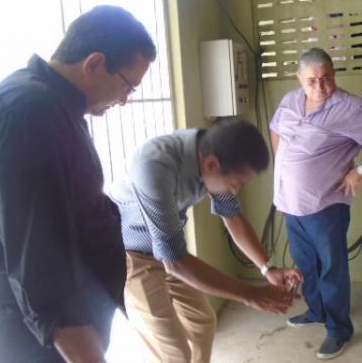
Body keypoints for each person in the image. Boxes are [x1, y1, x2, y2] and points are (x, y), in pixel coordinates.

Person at [0, 5, 156, 363]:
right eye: (128, 85)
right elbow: (39, 263)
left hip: (47, 331)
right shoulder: (28, 111)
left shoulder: (52, 105)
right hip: (26, 339)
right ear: (94, 63)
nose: (125, 99)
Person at [110, 118, 302, 363]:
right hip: (129, 256)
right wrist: (251, 294)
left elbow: (232, 217)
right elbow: (176, 262)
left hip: (167, 250)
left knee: (202, 322)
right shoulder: (154, 167)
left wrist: (268, 268)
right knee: (174, 352)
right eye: (237, 183)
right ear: (211, 164)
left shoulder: (209, 148)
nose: (235, 190)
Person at [270, 48, 362, 361]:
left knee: (332, 269)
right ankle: (316, 310)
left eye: (326, 78)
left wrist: (360, 170)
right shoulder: (290, 101)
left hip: (325, 205)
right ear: (300, 79)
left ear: (334, 75)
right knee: (306, 264)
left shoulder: (349, 108)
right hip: (290, 203)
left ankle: (339, 330)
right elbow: (275, 128)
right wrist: (284, 163)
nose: (320, 86)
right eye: (312, 80)